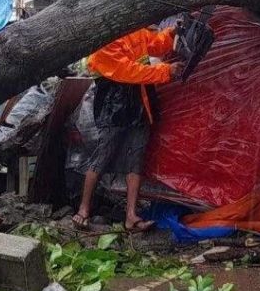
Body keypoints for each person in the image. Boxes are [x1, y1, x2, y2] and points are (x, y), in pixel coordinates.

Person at [73, 23, 180, 233]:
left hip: (140, 104)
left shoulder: (135, 31)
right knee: (103, 155)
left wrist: (171, 33)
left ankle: (131, 216)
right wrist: (166, 70)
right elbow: (127, 70)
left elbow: (155, 45)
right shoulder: (105, 40)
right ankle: (83, 209)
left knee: (136, 158)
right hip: (115, 106)